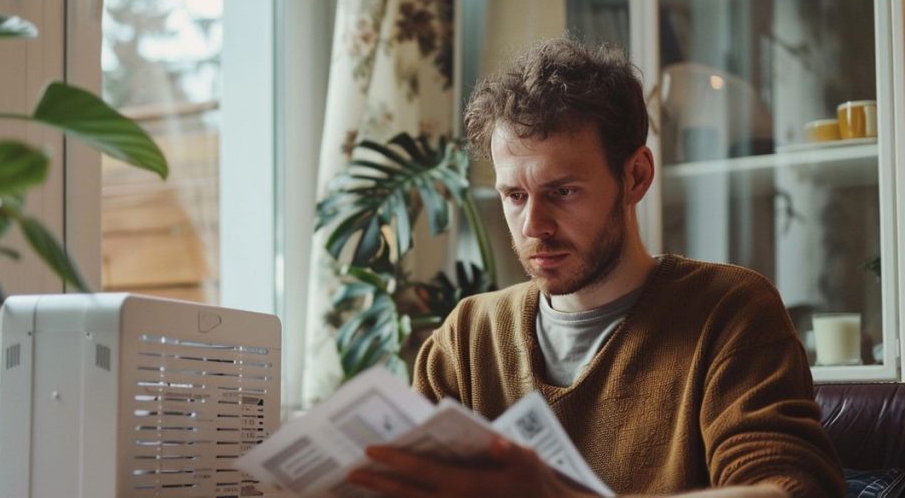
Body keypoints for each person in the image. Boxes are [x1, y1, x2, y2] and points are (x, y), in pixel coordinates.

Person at [346, 38, 845, 497]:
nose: (534, 225)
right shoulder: (469, 336)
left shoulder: (729, 309)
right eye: (514, 196)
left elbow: (787, 488)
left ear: (636, 177)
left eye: (561, 192)